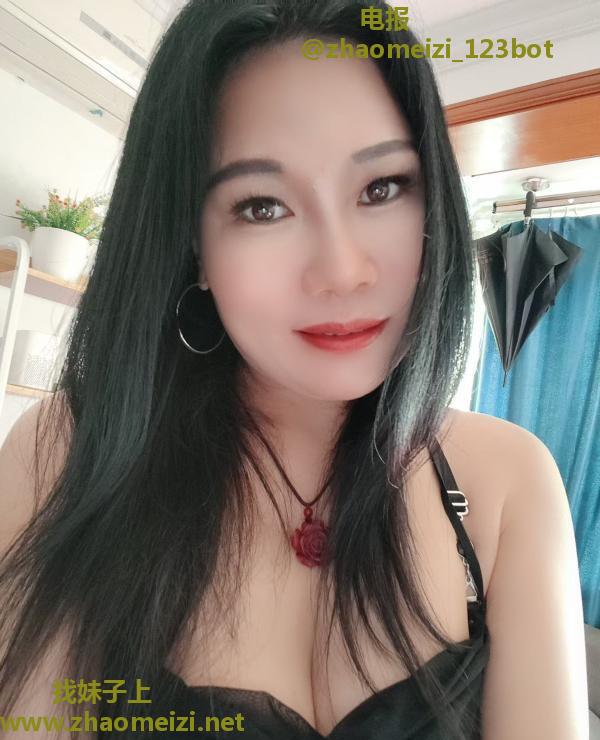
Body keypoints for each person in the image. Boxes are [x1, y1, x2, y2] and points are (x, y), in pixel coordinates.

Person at [0, 1, 588, 739]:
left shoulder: (506, 483)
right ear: (193, 245)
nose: (342, 271)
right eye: (261, 207)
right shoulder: (68, 452)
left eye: (381, 188)